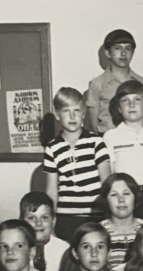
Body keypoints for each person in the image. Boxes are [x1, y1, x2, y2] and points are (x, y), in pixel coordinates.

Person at [44, 87, 111, 242]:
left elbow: (106, 183)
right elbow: (52, 191)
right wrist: (51, 221)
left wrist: (107, 216)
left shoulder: (96, 142)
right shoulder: (52, 148)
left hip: (94, 216)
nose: (72, 116)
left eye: (77, 110)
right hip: (66, 219)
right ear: (57, 114)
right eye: (66, 111)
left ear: (84, 113)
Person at [102, 80, 143, 223]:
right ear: (119, 108)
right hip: (124, 196)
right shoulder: (111, 136)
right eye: (125, 101)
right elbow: (109, 173)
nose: (131, 105)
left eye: (137, 99)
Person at [86, 29, 143, 134]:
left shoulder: (142, 83)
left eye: (128, 48)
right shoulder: (97, 84)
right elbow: (93, 126)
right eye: (118, 48)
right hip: (106, 139)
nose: (123, 53)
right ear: (108, 53)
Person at [19, 192, 70, 271]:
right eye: (31, 218)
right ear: (22, 222)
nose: (38, 223)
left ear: (53, 221)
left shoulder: (64, 250)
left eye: (44, 217)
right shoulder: (18, 249)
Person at [99, 173, 143, 271]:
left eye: (126, 193)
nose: (121, 200)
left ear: (135, 197)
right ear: (106, 200)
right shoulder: (98, 232)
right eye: (114, 194)